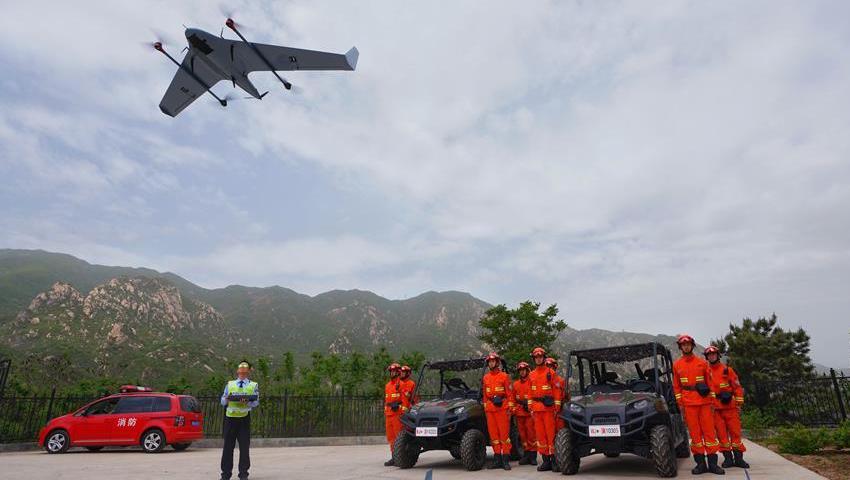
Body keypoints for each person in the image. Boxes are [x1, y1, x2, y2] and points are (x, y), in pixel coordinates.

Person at [673, 335, 724, 475]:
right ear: (680, 347)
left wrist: (712, 401)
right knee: (695, 435)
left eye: (688, 344)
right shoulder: (677, 365)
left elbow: (710, 383)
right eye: (684, 345)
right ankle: (700, 464)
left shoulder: (702, 363)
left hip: (704, 403)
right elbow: (676, 386)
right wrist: (680, 403)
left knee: (709, 433)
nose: (686, 347)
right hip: (689, 404)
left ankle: (713, 465)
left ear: (692, 346)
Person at [704, 345, 749, 469]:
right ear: (707, 357)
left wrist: (739, 403)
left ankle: (739, 459)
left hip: (730, 407)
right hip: (716, 409)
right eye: (709, 355)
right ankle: (728, 459)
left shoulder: (727, 370)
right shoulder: (706, 372)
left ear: (718, 355)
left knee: (735, 433)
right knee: (721, 435)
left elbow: (737, 387)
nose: (712, 356)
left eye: (713, 354)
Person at [220, 361, 260, 480]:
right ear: (238, 372)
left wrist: (248, 402)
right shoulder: (230, 384)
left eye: (244, 373)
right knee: (228, 447)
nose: (242, 374)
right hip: (230, 418)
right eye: (241, 372)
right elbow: (222, 401)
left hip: (244, 419)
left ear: (248, 373)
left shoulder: (253, 385)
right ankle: (225, 474)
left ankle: (243, 474)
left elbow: (256, 402)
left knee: (244, 447)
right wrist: (227, 399)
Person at [482, 352, 514, 470]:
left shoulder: (504, 376)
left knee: (504, 435)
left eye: (493, 361)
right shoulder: (486, 378)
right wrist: (486, 407)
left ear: (497, 362)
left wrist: (510, 408)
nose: (491, 363)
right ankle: (497, 460)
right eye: (489, 361)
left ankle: (505, 460)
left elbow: (510, 394)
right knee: (494, 436)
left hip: (502, 409)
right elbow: (485, 395)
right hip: (490, 410)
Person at [529, 347, 558, 471]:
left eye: (540, 357)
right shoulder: (531, 374)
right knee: (540, 436)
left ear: (544, 358)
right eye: (536, 357)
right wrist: (530, 406)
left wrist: (556, 406)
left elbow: (556, 390)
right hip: (536, 409)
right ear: (534, 359)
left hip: (548, 408)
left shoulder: (550, 372)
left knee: (550, 435)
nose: (538, 359)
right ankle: (546, 461)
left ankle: (554, 460)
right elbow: (529, 392)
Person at [512, 361, 537, 466]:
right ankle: (526, 455)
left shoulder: (532, 382)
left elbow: (535, 397)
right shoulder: (515, 384)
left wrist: (530, 406)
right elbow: (512, 399)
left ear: (527, 371)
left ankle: (533, 456)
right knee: (523, 436)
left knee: (531, 435)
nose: (522, 372)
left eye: (524, 370)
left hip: (529, 413)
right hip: (519, 413)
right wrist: (514, 409)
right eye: (520, 370)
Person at [383, 362, 408, 466]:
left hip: (397, 415)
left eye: (393, 371)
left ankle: (400, 457)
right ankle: (394, 457)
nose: (391, 373)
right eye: (391, 371)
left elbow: (405, 401)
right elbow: (386, 401)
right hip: (389, 414)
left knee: (398, 437)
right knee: (391, 438)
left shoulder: (402, 385)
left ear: (398, 372)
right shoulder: (387, 385)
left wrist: (402, 412)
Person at [546, 357, 567, 432]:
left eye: (550, 367)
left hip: (559, 412)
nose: (549, 369)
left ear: (554, 367)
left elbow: (566, 395)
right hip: (547, 410)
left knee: (560, 429)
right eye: (547, 367)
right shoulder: (542, 381)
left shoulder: (561, 381)